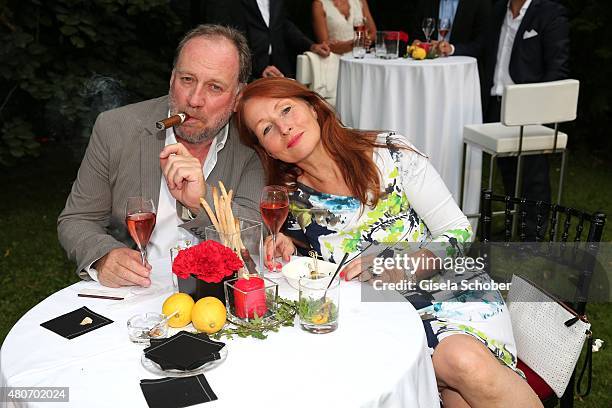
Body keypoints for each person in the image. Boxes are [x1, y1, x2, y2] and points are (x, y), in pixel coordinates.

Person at [235, 77, 542, 407]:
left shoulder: (389, 153)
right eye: (266, 128)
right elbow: (323, 269)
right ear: (266, 149)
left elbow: (459, 231)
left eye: (286, 109)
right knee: (459, 391)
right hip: (380, 325)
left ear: (313, 106)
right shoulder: (292, 201)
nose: (282, 128)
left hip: (452, 294)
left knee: (463, 361)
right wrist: (292, 250)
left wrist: (399, 268)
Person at [57, 25, 265, 288]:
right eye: (187, 79)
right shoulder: (116, 128)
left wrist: (200, 202)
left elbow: (256, 231)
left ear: (237, 97)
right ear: (171, 79)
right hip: (136, 291)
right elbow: (77, 219)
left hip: (219, 293)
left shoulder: (251, 142)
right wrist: (104, 256)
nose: (194, 100)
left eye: (214, 87)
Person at [481, 0, 569, 238]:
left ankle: (533, 233)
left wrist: (539, 108)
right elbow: (485, 49)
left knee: (533, 174)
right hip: (495, 98)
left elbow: (557, 67)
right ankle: (514, 224)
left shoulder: (550, 12)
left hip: (528, 105)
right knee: (508, 170)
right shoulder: (498, 9)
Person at [208, 0, 330, 79]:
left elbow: (284, 24)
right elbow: (233, 37)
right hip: (250, 70)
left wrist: (311, 46)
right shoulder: (231, 4)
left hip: (281, 65)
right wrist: (259, 67)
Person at [412, 0, 492, 57]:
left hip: (460, 72)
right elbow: (418, 34)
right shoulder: (426, 2)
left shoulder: (480, 2)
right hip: (429, 70)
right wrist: (419, 43)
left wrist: (452, 49)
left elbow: (481, 45)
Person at [312, 0, 377, 54]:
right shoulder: (319, 4)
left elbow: (372, 32)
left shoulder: (360, 1)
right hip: (336, 59)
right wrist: (353, 44)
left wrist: (363, 41)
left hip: (360, 56)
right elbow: (324, 46)